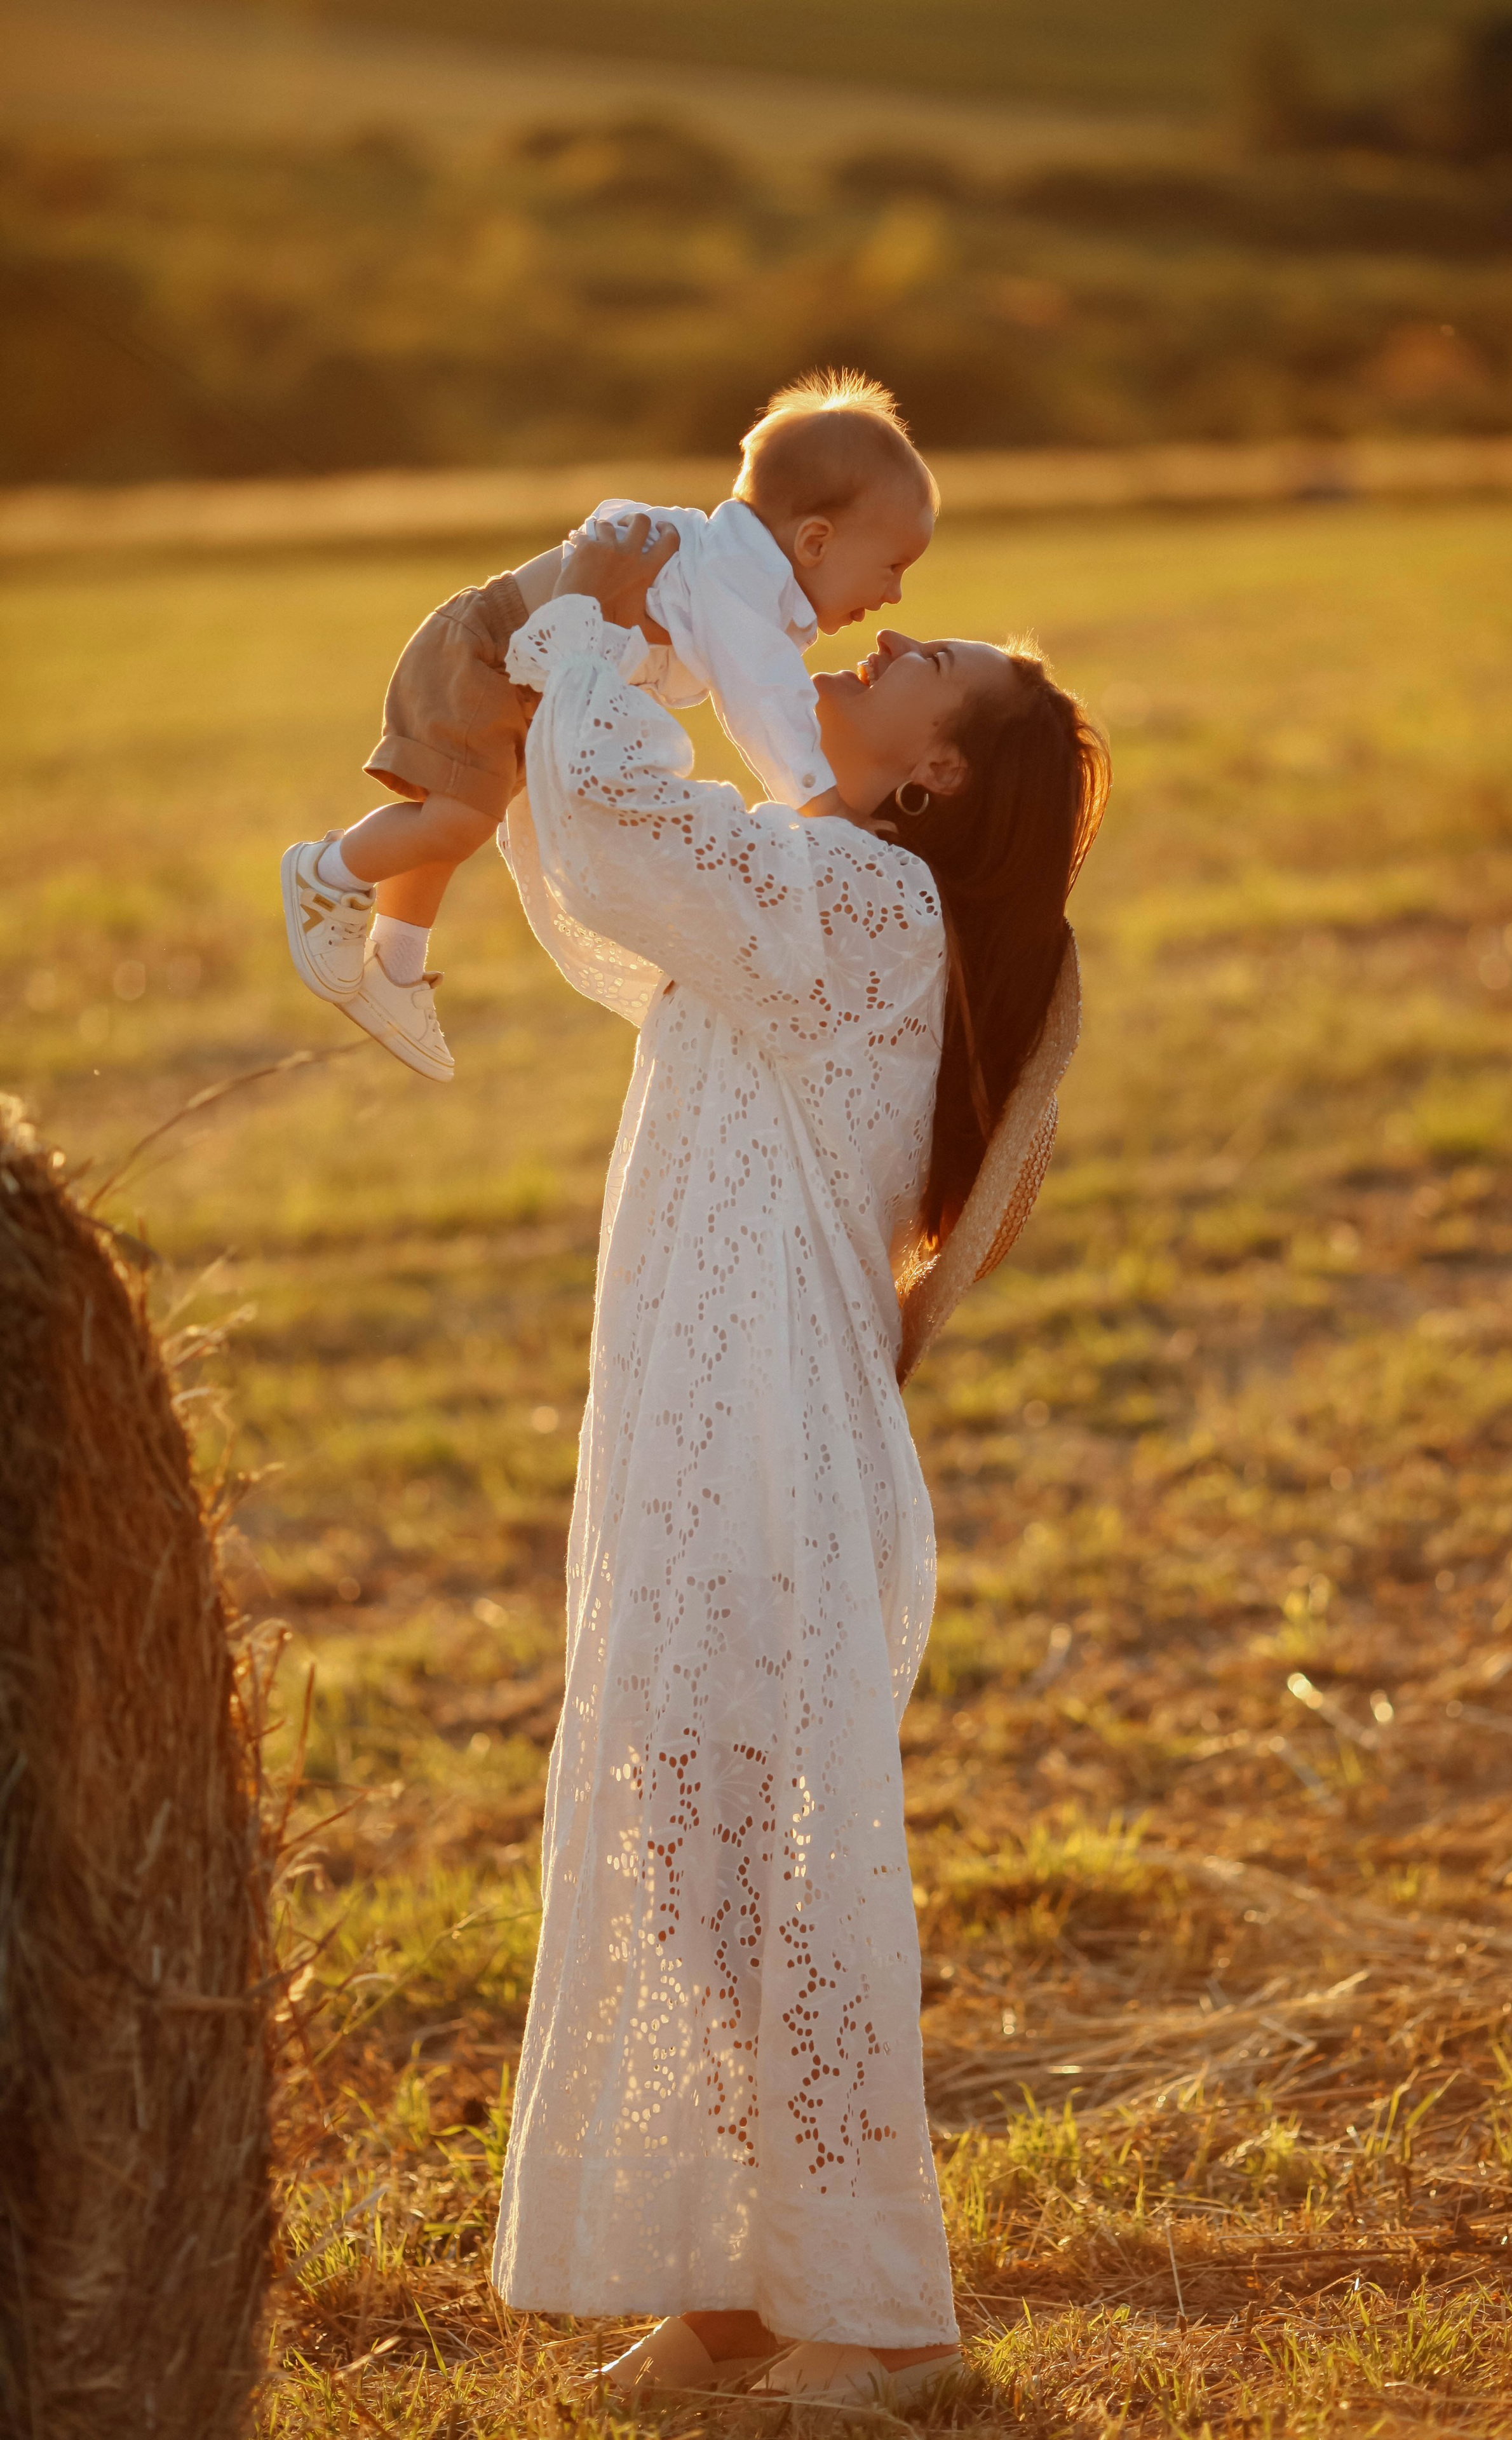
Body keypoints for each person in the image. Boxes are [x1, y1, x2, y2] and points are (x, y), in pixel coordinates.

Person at [485, 518, 1110, 2408]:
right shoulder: (813, 890)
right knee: (691, 1844)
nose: (871, 642)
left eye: (912, 660)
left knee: (780, 1856)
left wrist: (587, 633)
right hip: (695, 1425)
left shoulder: (859, 901)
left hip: (768, 1440)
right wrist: (624, 669)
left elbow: (620, 830)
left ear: (933, 771)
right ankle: (744, 2289)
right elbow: (611, 893)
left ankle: (886, 2314)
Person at [278, 372, 936, 1081]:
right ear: (813, 541)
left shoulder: (735, 573)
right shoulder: (738, 582)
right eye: (892, 566)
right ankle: (326, 873)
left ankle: (394, 967)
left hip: (524, 672)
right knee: (457, 821)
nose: (895, 593)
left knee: (451, 818)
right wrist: (822, 803)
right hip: (491, 652)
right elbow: (763, 701)